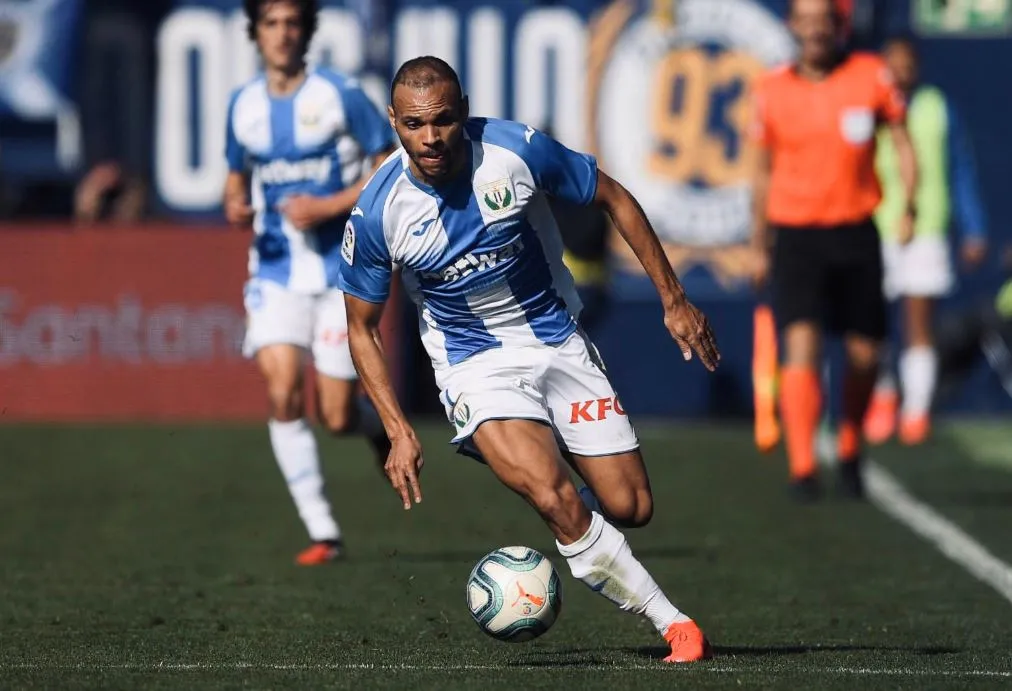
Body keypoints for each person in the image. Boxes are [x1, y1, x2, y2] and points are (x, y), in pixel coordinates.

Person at [340, 56, 720, 663]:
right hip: (475, 366)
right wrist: (396, 427)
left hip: (556, 339)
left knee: (631, 506)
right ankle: (673, 623)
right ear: (393, 121)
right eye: (414, 125)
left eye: (442, 120)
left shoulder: (515, 151)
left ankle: (585, 539)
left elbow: (613, 197)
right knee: (551, 493)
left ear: (462, 110)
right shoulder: (379, 211)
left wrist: (674, 300)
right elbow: (361, 328)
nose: (430, 138)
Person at [222, 0, 397, 565]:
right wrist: (234, 203)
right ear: (256, 33)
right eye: (271, 24)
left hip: (339, 271)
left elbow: (388, 162)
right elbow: (236, 177)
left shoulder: (338, 94)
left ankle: (374, 431)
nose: (282, 34)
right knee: (281, 393)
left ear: (306, 32)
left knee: (338, 414)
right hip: (274, 271)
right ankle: (324, 531)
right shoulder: (243, 105)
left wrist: (331, 205)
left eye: (292, 23)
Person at [750, 0, 918, 500]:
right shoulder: (772, 90)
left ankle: (849, 445)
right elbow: (760, 172)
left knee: (866, 352)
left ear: (838, 25)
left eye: (824, 18)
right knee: (801, 344)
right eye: (806, 19)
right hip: (797, 234)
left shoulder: (871, 76)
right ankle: (803, 466)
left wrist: (908, 205)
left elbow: (903, 143)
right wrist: (759, 242)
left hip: (855, 231)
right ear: (793, 26)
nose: (815, 29)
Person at [863, 35, 988, 447]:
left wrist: (973, 229)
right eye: (892, 63)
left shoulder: (937, 108)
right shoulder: (867, 105)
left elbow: (960, 168)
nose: (900, 72)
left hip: (927, 228)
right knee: (872, 323)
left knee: (918, 321)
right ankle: (882, 394)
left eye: (907, 64)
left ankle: (916, 409)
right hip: (876, 226)